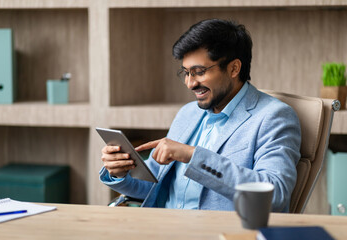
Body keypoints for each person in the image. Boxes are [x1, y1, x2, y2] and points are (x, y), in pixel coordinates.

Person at [99, 19, 301, 212]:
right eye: (186, 73)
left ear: (234, 68)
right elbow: (153, 186)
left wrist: (192, 156)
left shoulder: (274, 117)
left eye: (199, 72)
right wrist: (120, 172)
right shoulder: (188, 113)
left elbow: (274, 194)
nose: (190, 83)